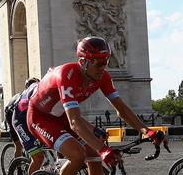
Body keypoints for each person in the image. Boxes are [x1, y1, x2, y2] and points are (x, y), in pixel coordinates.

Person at [26, 37, 166, 175]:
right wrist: (103, 149)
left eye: (106, 62)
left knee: (94, 156)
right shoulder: (66, 75)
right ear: (83, 62)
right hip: (40, 117)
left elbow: (121, 109)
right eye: (99, 63)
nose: (103, 68)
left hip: (62, 117)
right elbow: (75, 121)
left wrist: (147, 131)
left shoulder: (103, 77)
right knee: (78, 155)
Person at [5, 77, 40, 160]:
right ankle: (18, 167)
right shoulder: (22, 97)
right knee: (18, 144)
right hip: (11, 115)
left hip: (22, 116)